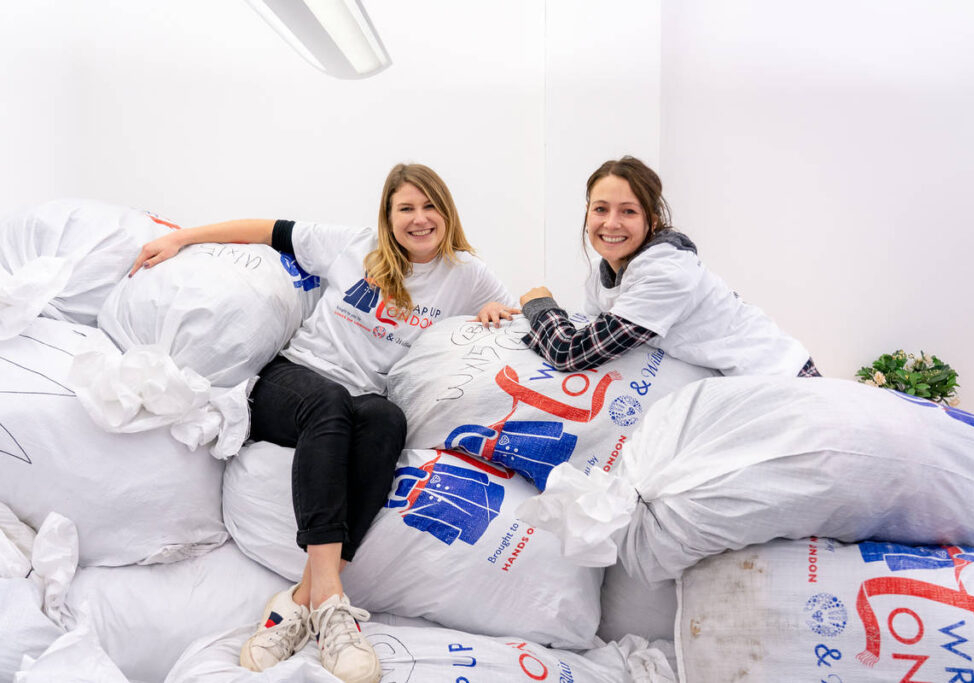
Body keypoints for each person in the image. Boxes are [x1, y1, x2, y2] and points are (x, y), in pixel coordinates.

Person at [130, 163, 519, 683]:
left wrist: (495, 307)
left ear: (447, 214)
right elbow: (268, 229)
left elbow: (509, 309)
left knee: (386, 418)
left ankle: (302, 599)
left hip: (360, 401)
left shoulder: (465, 273)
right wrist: (184, 239)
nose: (419, 219)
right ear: (388, 216)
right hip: (290, 385)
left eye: (430, 207)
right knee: (330, 402)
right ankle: (333, 602)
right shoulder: (355, 247)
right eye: (406, 208)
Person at [519, 155, 820, 377]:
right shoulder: (603, 274)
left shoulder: (665, 273)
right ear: (587, 213)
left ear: (651, 219)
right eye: (601, 209)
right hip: (736, 386)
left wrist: (539, 305)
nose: (611, 223)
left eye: (628, 211)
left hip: (782, 378)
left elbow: (571, 352)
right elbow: (590, 336)